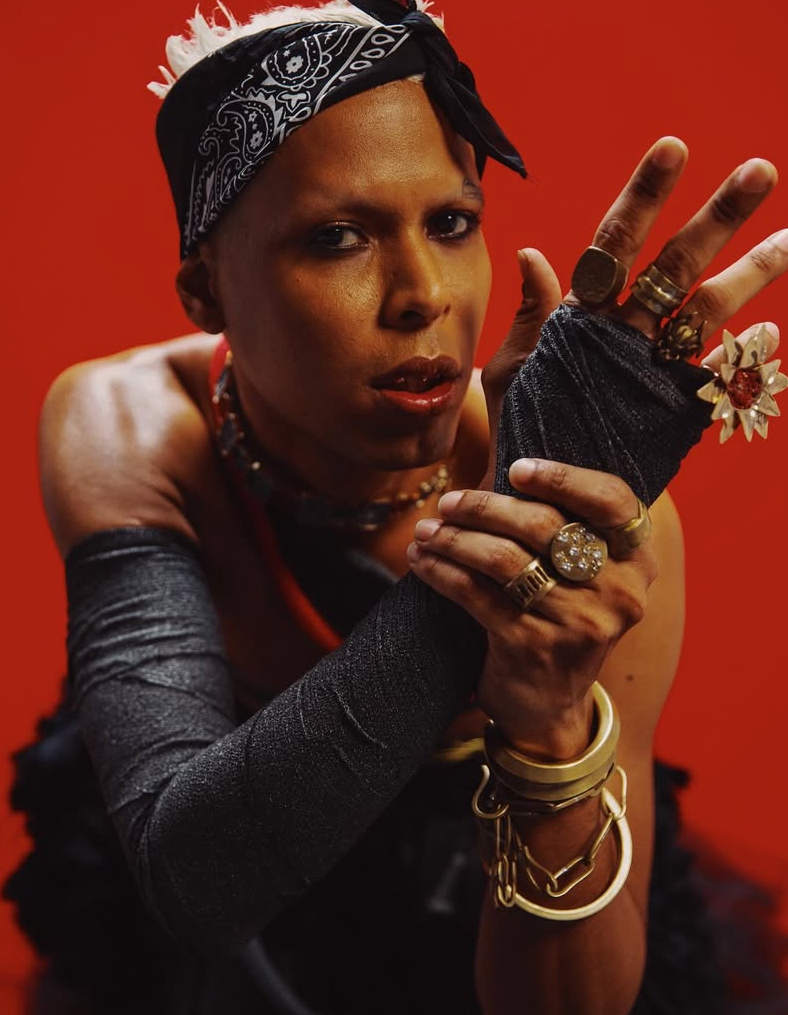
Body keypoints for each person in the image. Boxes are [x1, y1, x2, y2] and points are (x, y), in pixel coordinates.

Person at [5, 1, 788, 1013]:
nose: (423, 293)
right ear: (204, 293)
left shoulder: (587, 511)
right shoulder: (134, 425)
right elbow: (195, 875)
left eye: (452, 223)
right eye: (338, 237)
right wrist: (492, 569)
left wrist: (551, 727)